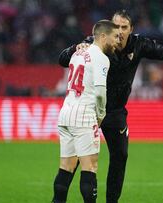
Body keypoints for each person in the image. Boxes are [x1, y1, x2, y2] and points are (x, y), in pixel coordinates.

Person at [58, 10, 163, 203]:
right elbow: (63, 60)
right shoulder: (95, 43)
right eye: (116, 26)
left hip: (115, 112)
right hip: (91, 110)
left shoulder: (139, 44)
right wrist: (72, 50)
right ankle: (60, 198)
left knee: (120, 157)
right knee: (76, 161)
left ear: (131, 29)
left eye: (124, 27)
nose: (119, 31)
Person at [52, 20, 119, 203]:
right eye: (115, 37)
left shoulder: (78, 52)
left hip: (66, 111)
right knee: (90, 167)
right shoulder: (101, 58)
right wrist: (101, 114)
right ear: (103, 36)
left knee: (66, 168)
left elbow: (64, 61)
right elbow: (99, 92)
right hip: (84, 114)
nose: (117, 42)